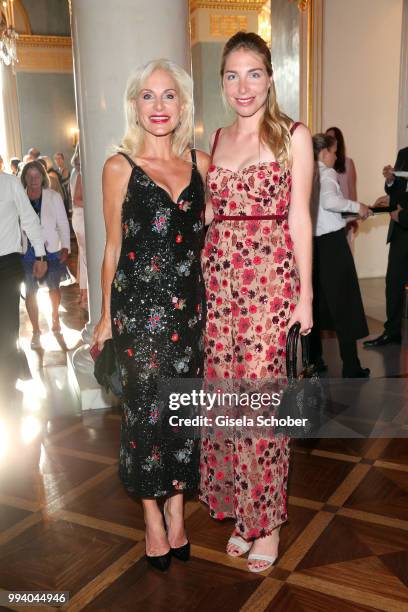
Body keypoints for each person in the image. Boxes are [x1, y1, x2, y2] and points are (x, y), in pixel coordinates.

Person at [199, 32, 314, 573]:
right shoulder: (216, 139)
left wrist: (306, 295)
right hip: (219, 285)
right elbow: (207, 217)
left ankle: (266, 522)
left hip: (270, 283)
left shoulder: (295, 136)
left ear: (270, 78)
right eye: (231, 75)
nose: (242, 86)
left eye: (253, 74)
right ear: (222, 81)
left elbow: (300, 219)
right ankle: (241, 513)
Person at [93, 59, 210, 571]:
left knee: (183, 416)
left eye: (169, 96)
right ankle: (152, 518)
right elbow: (112, 250)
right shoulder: (119, 167)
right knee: (144, 419)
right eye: (148, 96)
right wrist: (103, 318)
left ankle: (178, 512)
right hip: (138, 316)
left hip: (190, 316)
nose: (159, 106)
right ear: (135, 105)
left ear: (182, 104)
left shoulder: (201, 163)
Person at [310, 133, 370, 377]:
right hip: (333, 246)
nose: (336, 156)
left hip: (313, 246)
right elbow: (330, 202)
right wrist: (358, 207)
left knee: (315, 304)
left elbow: (322, 213)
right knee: (345, 303)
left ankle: (315, 360)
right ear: (324, 153)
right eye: (334, 152)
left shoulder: (306, 174)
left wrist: (350, 215)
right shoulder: (326, 173)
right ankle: (351, 366)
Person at [0, 171, 47, 402]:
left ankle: (8, 382)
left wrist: (40, 255)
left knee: (7, 326)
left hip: (7, 265)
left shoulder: (9, 183)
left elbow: (29, 219)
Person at [20, 161, 70, 349]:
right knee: (30, 291)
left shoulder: (53, 196)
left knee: (53, 288)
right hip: (27, 251)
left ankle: (55, 318)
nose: (33, 180)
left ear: (43, 177)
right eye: (29, 176)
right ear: (24, 178)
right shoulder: (20, 198)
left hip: (51, 250)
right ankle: (35, 331)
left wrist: (65, 246)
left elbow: (63, 223)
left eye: (37, 176)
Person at [364, 146, 408, 348]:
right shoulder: (404, 153)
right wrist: (390, 181)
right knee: (393, 283)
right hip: (400, 231)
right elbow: (398, 188)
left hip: (403, 218)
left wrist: (397, 206)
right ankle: (392, 332)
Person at [326, 126, 358, 250]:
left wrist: (353, 217)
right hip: (327, 219)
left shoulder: (348, 163)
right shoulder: (321, 165)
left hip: (345, 217)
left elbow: (352, 192)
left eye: (332, 138)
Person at [70, 145, 88, 310]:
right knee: (86, 258)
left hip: (78, 217)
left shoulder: (74, 171)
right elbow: (77, 199)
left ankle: (83, 295)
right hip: (82, 217)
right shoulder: (81, 173)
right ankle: (85, 297)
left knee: (83, 256)